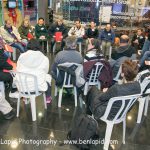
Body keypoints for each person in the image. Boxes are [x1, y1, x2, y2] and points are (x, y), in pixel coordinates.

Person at [16, 39, 52, 103]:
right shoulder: (44, 58)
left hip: (22, 86)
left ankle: (25, 98)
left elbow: (18, 69)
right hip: (38, 86)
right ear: (39, 46)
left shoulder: (22, 56)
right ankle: (48, 97)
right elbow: (46, 71)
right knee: (48, 76)